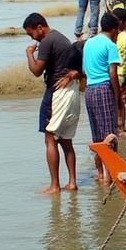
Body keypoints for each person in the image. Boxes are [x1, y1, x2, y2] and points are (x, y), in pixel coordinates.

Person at [23, 12, 81, 194]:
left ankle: (54, 185)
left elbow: (36, 71)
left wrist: (29, 55)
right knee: (66, 140)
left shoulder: (47, 41)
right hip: (71, 92)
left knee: (50, 137)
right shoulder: (60, 37)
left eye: (30, 33)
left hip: (57, 93)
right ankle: (72, 182)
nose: (31, 37)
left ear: (40, 27)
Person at [82, 12, 122, 184]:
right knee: (110, 135)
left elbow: (84, 72)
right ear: (114, 30)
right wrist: (118, 96)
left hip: (90, 91)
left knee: (97, 135)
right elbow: (113, 73)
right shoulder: (110, 45)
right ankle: (109, 176)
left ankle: (99, 173)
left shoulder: (88, 43)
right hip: (104, 88)